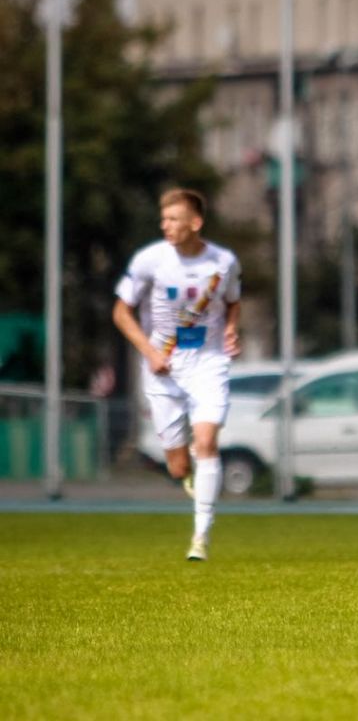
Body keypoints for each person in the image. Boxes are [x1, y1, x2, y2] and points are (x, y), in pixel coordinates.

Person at [113, 188, 242, 562]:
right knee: (179, 464)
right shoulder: (149, 260)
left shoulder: (223, 262)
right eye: (163, 219)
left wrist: (232, 330)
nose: (165, 226)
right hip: (164, 367)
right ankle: (188, 473)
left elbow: (233, 302)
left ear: (195, 223)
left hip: (208, 361)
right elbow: (122, 313)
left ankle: (200, 537)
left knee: (206, 442)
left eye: (173, 219)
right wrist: (150, 352)